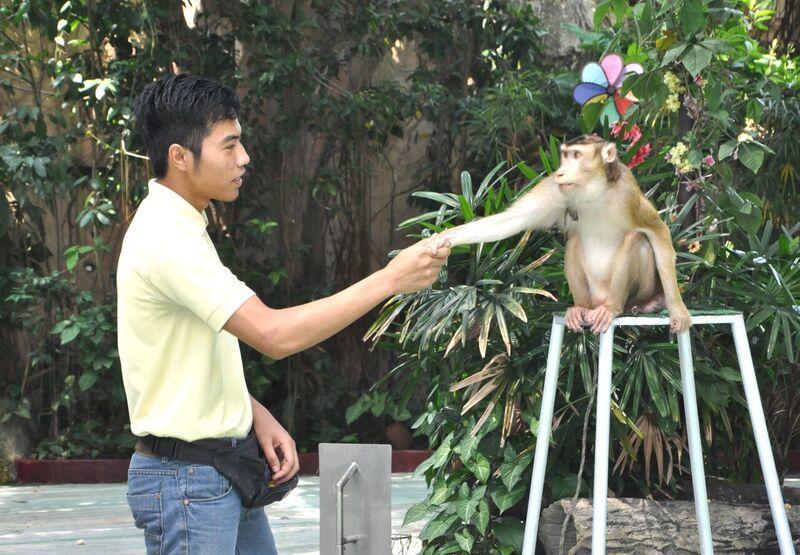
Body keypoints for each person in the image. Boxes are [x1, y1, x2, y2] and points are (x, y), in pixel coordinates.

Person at [116, 73, 451, 554]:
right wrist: (391, 279)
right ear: (180, 157)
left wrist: (250, 414)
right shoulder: (168, 240)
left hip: (215, 471)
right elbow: (272, 334)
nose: (244, 158)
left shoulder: (182, 225)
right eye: (229, 145)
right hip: (189, 484)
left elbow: (181, 354)